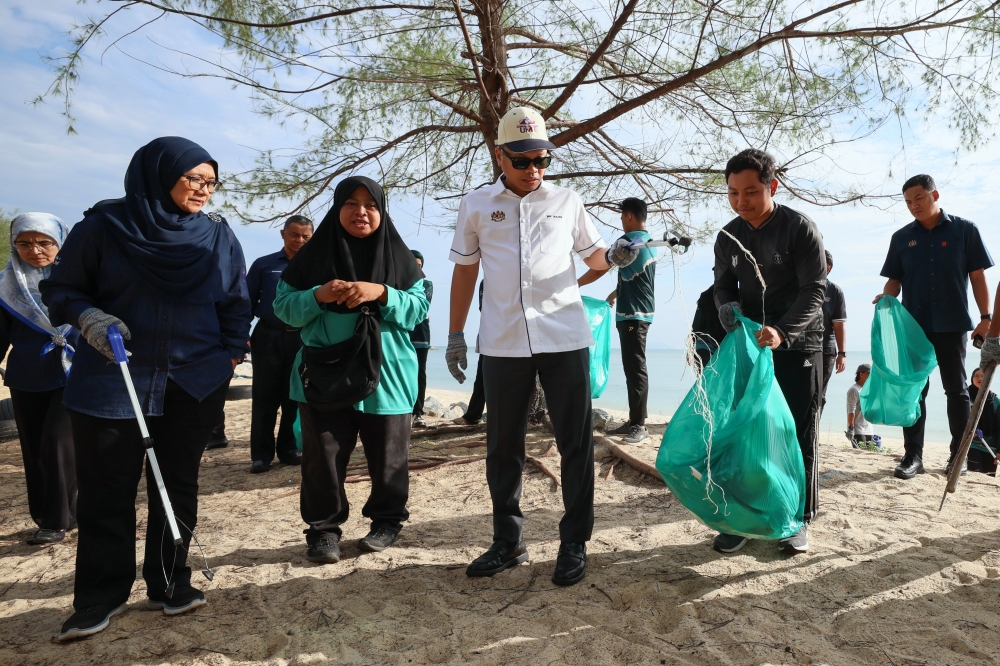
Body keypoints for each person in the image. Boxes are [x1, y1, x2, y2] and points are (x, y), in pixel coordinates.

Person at [41, 137, 252, 641]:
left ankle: (169, 581)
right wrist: (86, 316)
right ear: (159, 174)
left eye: (211, 182)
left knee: (176, 484)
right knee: (106, 492)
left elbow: (235, 301)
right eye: (194, 179)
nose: (204, 190)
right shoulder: (103, 227)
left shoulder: (218, 237)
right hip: (112, 381)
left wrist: (229, 356)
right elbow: (62, 288)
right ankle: (99, 597)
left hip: (194, 380)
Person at [447, 106, 639, 586]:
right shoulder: (476, 205)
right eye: (523, 160)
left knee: (575, 443)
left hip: (565, 337)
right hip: (503, 340)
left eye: (542, 160)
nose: (534, 170)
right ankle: (507, 540)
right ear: (500, 155)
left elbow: (595, 255)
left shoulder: (567, 201)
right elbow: (465, 270)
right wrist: (454, 334)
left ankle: (574, 542)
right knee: (502, 446)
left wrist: (614, 257)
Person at [274, 176, 427, 564]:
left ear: (381, 211)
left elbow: (419, 309)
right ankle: (323, 531)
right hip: (325, 374)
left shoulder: (400, 257)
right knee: (322, 457)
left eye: (371, 205)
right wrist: (319, 295)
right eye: (351, 203)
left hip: (388, 375)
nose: (362, 211)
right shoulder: (311, 260)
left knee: (390, 456)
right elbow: (284, 308)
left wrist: (382, 292)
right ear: (337, 209)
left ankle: (387, 521)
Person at [712, 148, 826, 556]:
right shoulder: (728, 235)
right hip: (751, 346)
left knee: (797, 430)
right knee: (747, 432)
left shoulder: (799, 228)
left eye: (751, 192)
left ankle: (799, 519)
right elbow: (722, 285)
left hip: (798, 343)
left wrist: (783, 331)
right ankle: (745, 518)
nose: (741, 201)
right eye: (733, 193)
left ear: (771, 186)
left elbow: (816, 289)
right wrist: (727, 308)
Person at [876, 174, 993, 479]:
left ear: (935, 195)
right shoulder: (901, 238)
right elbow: (894, 281)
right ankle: (913, 456)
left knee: (957, 391)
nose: (913, 206)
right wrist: (886, 302)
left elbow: (978, 277)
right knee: (913, 392)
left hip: (953, 324)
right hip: (912, 328)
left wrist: (986, 317)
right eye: (908, 202)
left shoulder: (965, 230)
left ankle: (959, 456)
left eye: (919, 198)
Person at [0, 213, 79, 545]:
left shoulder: (79, 280)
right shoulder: (5, 287)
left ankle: (58, 520)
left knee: (55, 443)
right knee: (33, 449)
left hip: (72, 373)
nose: (35, 250)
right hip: (26, 376)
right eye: (25, 243)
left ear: (60, 243)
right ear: (14, 245)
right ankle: (50, 515)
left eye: (45, 242)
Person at [578, 198, 659, 444]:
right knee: (632, 368)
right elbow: (633, 276)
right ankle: (635, 420)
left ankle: (640, 427)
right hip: (636, 310)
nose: (621, 221)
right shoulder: (646, 241)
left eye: (622, 216)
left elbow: (602, 267)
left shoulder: (629, 241)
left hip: (634, 314)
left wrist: (574, 284)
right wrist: (613, 295)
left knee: (635, 368)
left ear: (628, 216)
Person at [246, 214, 314, 473]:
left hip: (301, 337)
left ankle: (288, 449)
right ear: (283, 234)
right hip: (268, 335)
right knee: (264, 396)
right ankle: (261, 455)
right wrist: (241, 334)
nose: (299, 240)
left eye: (306, 236)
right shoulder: (264, 265)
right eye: (294, 234)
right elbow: (246, 302)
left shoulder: (317, 267)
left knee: (294, 396)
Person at [453, 280, 486, 425]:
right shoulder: (485, 283)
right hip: (491, 338)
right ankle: (472, 416)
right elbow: (484, 308)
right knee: (482, 378)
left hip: (520, 340)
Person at [409, 250, 433, 427]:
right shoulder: (396, 282)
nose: (417, 268)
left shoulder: (426, 284)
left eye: (420, 265)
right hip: (401, 334)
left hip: (420, 334)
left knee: (419, 374)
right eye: (413, 264)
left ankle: (418, 413)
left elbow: (421, 309)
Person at [821, 250, 847, 410]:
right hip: (798, 346)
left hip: (825, 349)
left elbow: (839, 325)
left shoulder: (834, 291)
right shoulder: (797, 286)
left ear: (828, 268)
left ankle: (813, 431)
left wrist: (842, 354)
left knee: (819, 394)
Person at [689, 285, 728, 373]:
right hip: (707, 347)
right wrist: (690, 349)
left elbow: (695, 327)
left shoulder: (706, 296)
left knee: (706, 383)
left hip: (722, 348)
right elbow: (695, 328)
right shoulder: (707, 296)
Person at [966, 367, 997, 474]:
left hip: (991, 447)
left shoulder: (995, 400)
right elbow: (957, 418)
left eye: (983, 376)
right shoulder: (964, 397)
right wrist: (969, 428)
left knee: (988, 476)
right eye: (977, 376)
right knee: (973, 473)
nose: (980, 378)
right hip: (971, 444)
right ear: (972, 378)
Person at [846, 363, 876, 448]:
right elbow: (851, 411)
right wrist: (851, 428)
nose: (871, 376)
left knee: (870, 454)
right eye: (869, 374)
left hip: (869, 429)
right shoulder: (854, 390)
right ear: (861, 374)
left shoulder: (868, 389)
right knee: (860, 453)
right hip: (858, 430)